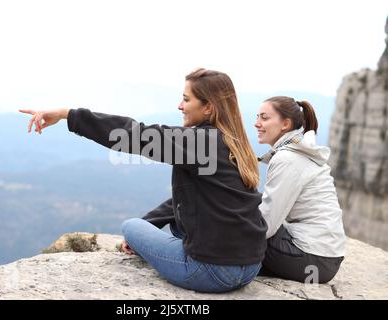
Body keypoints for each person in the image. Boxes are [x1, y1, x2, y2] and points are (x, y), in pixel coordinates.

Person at [19, 68, 267, 293]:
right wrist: (151, 222)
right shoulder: (234, 143)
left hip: (210, 272)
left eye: (187, 99)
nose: (180, 106)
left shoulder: (200, 142)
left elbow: (134, 134)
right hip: (250, 267)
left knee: (131, 227)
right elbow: (191, 197)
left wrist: (67, 115)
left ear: (208, 108)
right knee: (153, 226)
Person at [254, 96, 346, 283]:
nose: (257, 124)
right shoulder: (296, 152)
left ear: (285, 124)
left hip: (312, 259)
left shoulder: (287, 158)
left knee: (236, 216)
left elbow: (266, 227)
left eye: (264, 118)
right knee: (247, 203)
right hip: (324, 259)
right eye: (257, 117)